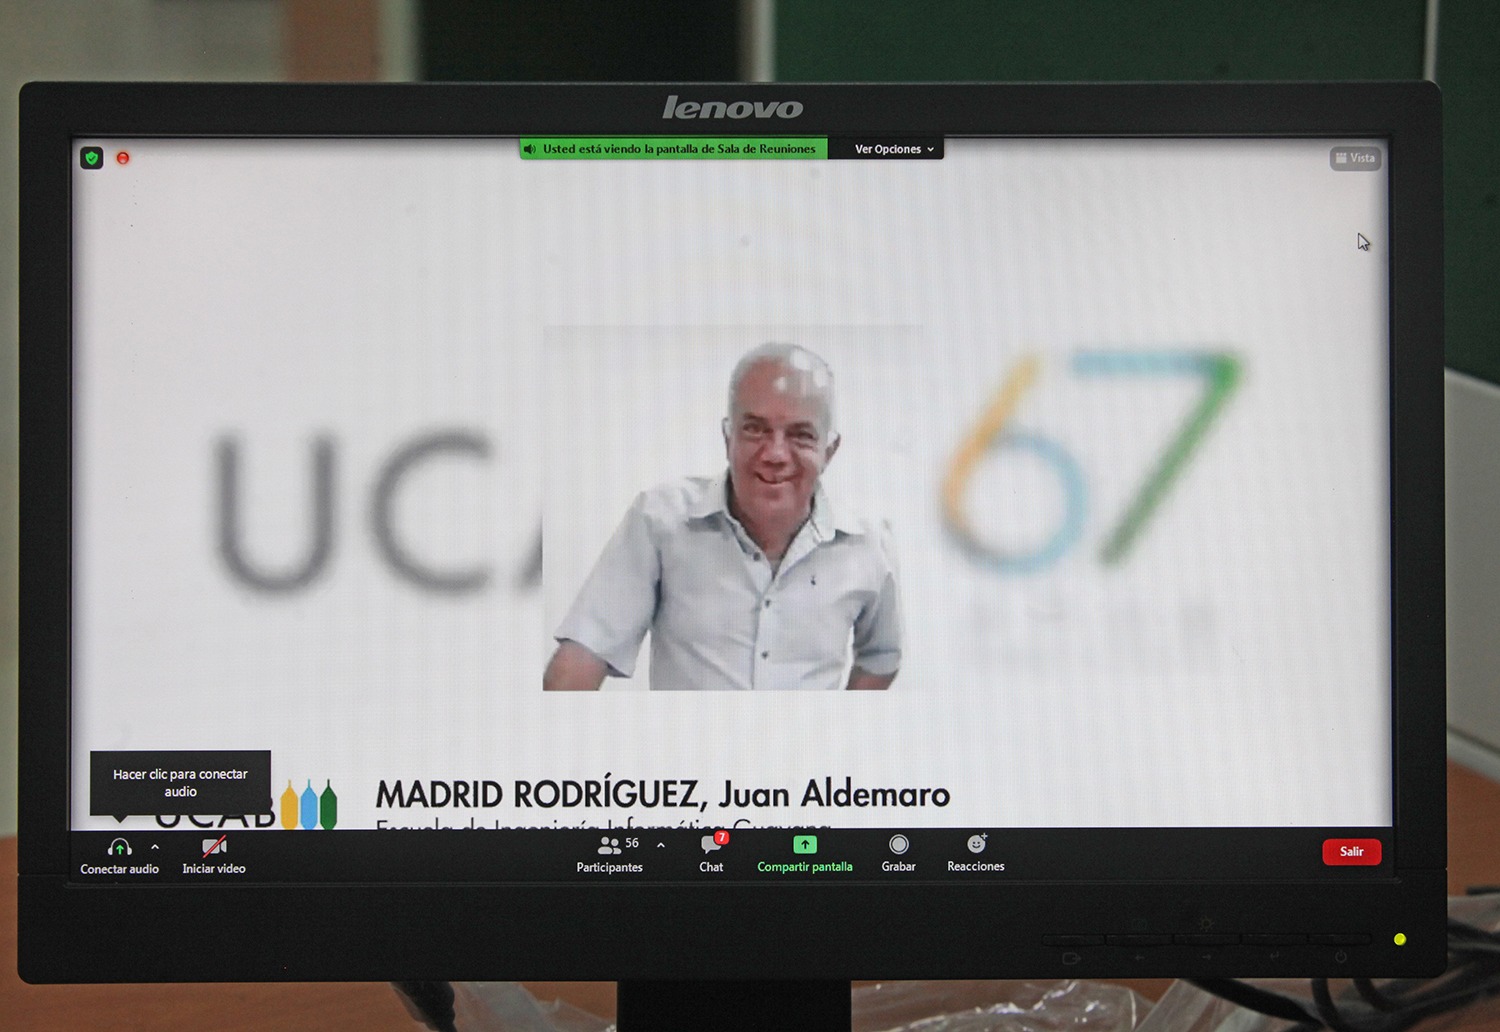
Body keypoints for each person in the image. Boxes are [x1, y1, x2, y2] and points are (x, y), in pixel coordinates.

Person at [544, 343, 902, 691]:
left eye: (800, 435)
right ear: (728, 436)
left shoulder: (869, 545)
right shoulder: (660, 520)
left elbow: (881, 657)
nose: (775, 454)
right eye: (755, 429)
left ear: (829, 450)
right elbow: (585, 652)